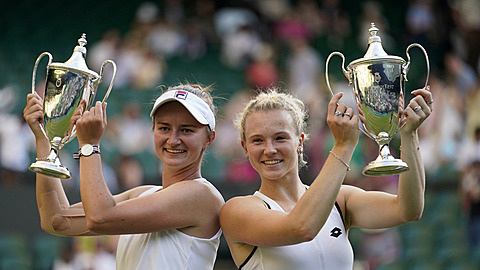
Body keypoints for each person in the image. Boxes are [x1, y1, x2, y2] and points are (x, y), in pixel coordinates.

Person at [219, 86, 433, 269]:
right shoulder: (236, 211)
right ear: (245, 148)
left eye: (280, 138)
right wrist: (342, 147)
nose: (269, 149)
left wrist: (409, 134)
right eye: (257, 141)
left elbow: (408, 209)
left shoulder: (340, 200)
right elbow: (302, 227)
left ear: (300, 142)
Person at [23, 84, 225, 270]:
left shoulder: (202, 195)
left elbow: (100, 217)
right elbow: (57, 220)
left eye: (187, 130)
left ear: (209, 139)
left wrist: (89, 145)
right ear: (153, 130)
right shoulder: (142, 194)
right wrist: (44, 140)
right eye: (164, 128)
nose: (173, 140)